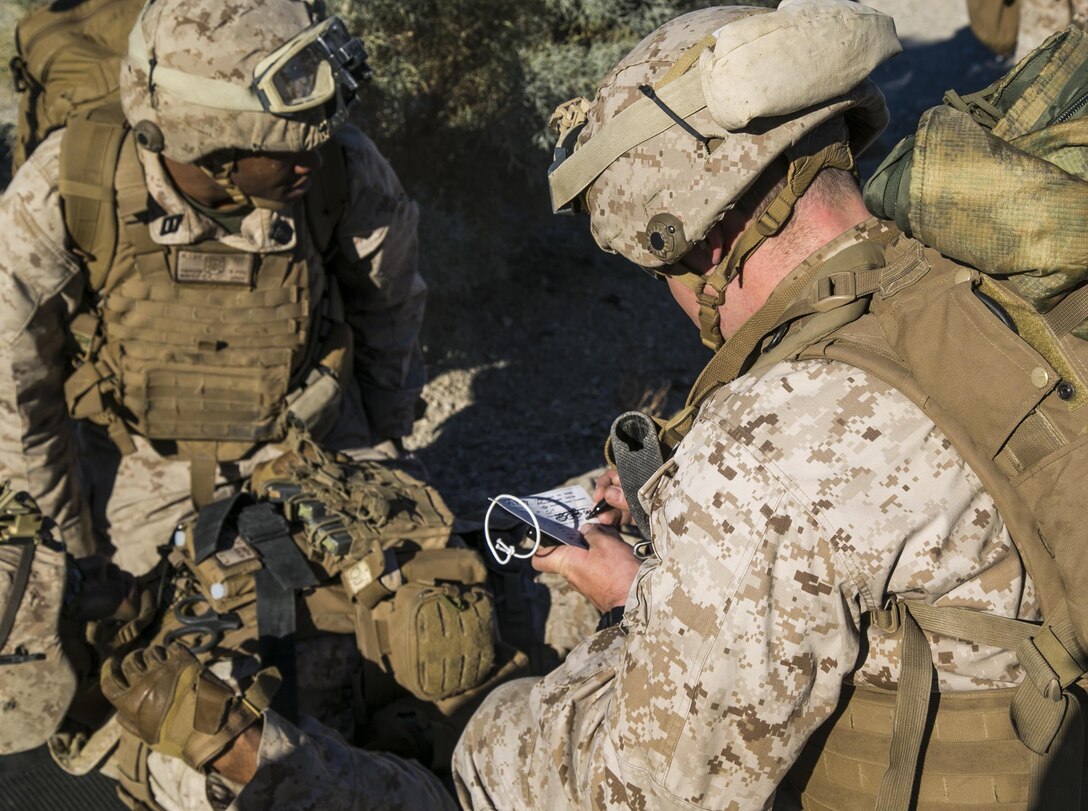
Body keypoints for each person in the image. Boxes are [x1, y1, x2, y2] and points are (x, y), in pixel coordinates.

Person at [454, 1, 1084, 808]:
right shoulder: (962, 277)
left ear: (697, 240)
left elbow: (644, 792)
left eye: (666, 274)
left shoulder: (763, 447)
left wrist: (625, 612)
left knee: (494, 749)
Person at [0, 0, 425, 575]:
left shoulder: (343, 172)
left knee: (425, 618)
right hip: (140, 474)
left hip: (315, 447)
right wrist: (68, 557)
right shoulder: (65, 187)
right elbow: (19, 398)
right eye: (286, 145)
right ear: (210, 138)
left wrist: (387, 454)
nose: (313, 155)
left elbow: (390, 315)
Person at [0, 477, 459, 810]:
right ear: (50, 676)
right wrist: (239, 751)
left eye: (72, 568)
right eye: (71, 595)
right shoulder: (191, 765)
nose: (98, 565)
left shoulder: (152, 630)